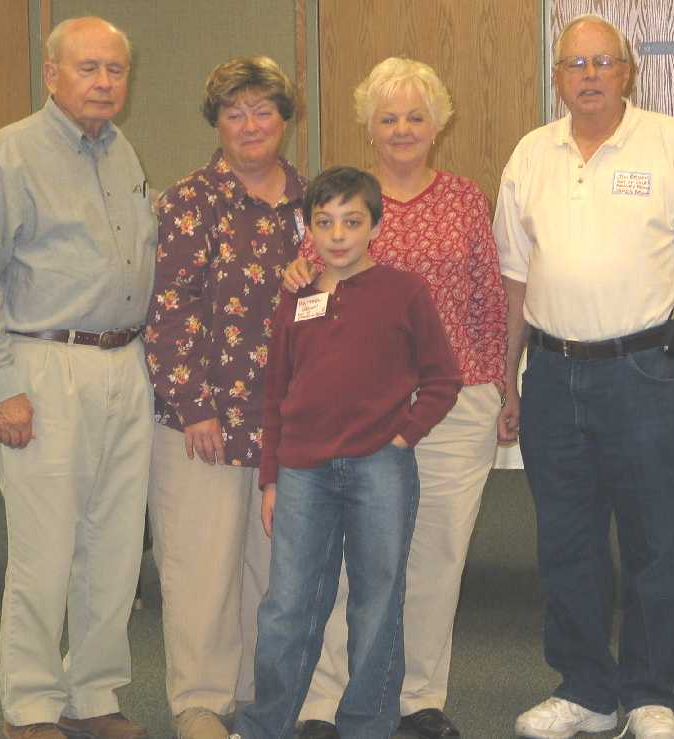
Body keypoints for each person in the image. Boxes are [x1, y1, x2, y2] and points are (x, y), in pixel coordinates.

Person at [493, 14, 674, 739]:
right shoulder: (530, 154)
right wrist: (508, 380)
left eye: (602, 62)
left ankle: (650, 694)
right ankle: (585, 690)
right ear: (557, 77)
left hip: (643, 372)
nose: (588, 75)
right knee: (565, 541)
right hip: (553, 376)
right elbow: (513, 280)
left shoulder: (669, 143)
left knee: (651, 539)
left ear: (626, 72)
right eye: (573, 64)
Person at [285, 58, 506, 739]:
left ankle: (417, 697)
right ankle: (326, 700)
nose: (403, 128)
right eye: (388, 117)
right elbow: (308, 299)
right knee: (350, 557)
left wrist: (498, 387)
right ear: (368, 126)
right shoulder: (342, 201)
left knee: (435, 555)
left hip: (453, 401)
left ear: (437, 123)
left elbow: (487, 300)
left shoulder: (465, 198)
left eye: (415, 115)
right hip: (362, 408)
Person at [0, 17, 156, 739]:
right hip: (45, 363)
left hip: (125, 363)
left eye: (115, 70)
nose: (104, 82)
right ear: (51, 74)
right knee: (44, 548)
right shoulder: (11, 152)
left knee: (116, 544)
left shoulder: (122, 149)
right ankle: (32, 703)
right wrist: (2, 384)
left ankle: (93, 693)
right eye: (89, 68)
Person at [233, 166, 462, 739]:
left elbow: (442, 379)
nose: (337, 235)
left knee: (377, 601)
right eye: (324, 222)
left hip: (379, 468)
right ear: (308, 227)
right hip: (302, 471)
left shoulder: (404, 291)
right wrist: (270, 478)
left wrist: (403, 436)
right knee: (287, 605)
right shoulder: (297, 295)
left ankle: (368, 724)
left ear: (374, 226)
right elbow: (276, 390)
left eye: (352, 222)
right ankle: (264, 726)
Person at [144, 57, 306, 739]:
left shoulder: (312, 201)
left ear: (284, 118)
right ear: (216, 121)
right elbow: (169, 308)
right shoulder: (190, 200)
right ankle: (202, 700)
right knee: (200, 563)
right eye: (234, 112)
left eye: (263, 110)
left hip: (290, 419)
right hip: (203, 419)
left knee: (276, 568)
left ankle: (261, 694)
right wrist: (195, 404)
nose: (249, 125)